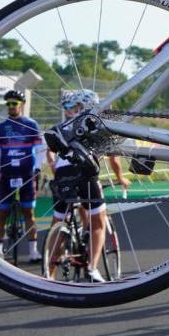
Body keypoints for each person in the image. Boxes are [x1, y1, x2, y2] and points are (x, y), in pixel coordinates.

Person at [45, 90, 131, 282]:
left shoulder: (65, 124)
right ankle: (92, 268)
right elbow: (114, 160)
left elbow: (51, 151)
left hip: (62, 173)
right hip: (85, 170)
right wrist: (120, 177)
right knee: (98, 222)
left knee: (58, 223)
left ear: (76, 106)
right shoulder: (97, 124)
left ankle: (48, 273)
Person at [0, 89, 43, 263]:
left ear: (21, 105)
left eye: (14, 103)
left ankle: (33, 252)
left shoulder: (31, 125)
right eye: (8, 104)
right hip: (6, 174)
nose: (11, 106)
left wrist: (37, 168)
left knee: (29, 212)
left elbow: (39, 149)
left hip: (26, 174)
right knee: (2, 213)